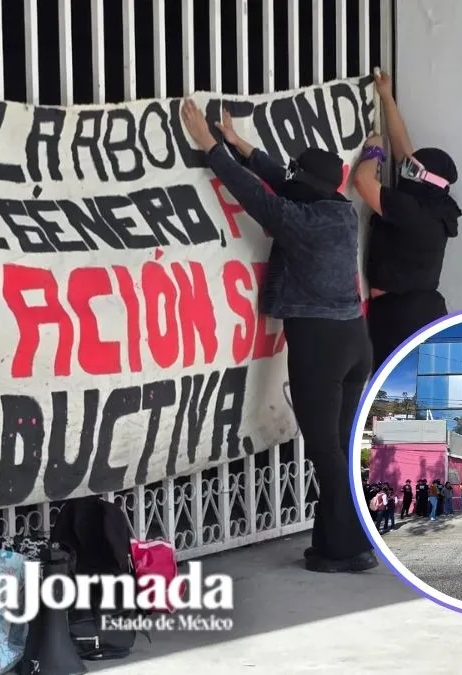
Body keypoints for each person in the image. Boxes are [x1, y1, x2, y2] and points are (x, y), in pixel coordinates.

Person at [181, 100, 375, 574]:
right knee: (341, 447)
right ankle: (332, 544)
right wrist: (240, 144)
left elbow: (257, 195)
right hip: (355, 339)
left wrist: (211, 148)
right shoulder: (341, 212)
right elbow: (282, 181)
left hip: (320, 345)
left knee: (325, 450)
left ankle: (349, 549)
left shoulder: (301, 222)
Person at [352, 69, 462, 370]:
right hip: (415, 313)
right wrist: (386, 97)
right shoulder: (436, 202)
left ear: (424, 180)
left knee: (397, 390)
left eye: (412, 171)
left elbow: (363, 182)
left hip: (403, 319)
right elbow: (405, 152)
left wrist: (374, 151)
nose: (405, 170)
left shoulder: (413, 212)